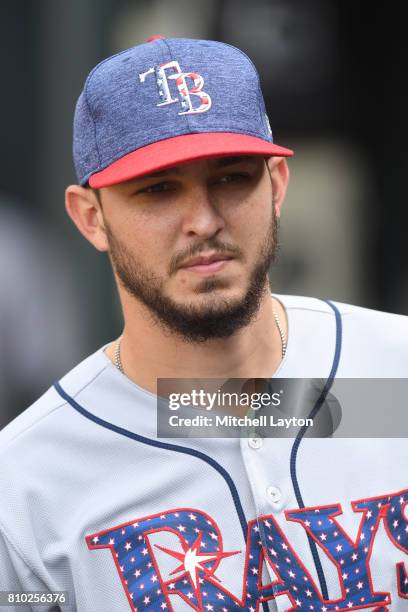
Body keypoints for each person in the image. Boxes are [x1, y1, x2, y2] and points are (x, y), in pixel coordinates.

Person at [0, 36, 407, 612]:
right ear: (91, 218)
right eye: (159, 189)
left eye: (232, 178)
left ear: (277, 186)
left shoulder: (395, 378)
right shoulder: (26, 488)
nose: (203, 220)